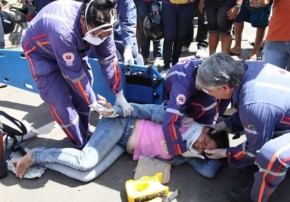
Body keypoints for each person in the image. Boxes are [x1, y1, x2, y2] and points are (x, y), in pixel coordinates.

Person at [13, 95, 229, 181]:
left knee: (85, 176)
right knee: (84, 162)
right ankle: (36, 154)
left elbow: (208, 171)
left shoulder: (189, 153)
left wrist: (221, 153)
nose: (201, 146)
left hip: (122, 145)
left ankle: (46, 161)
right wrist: (116, 110)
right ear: (208, 129)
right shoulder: (181, 120)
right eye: (206, 142)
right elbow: (142, 110)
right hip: (121, 125)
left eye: (205, 150)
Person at [21, 0, 133, 149]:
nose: (100, 39)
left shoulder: (104, 24)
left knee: (83, 94)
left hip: (68, 48)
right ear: (82, 20)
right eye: (97, 35)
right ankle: (79, 143)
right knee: (60, 101)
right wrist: (93, 101)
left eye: (104, 36)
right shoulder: (63, 31)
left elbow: (108, 60)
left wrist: (118, 93)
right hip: (41, 53)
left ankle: (84, 130)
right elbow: (75, 74)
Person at [195, 52, 290, 202]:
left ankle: (256, 196)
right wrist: (225, 124)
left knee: (269, 155)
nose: (210, 95)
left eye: (209, 90)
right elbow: (250, 111)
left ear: (225, 87)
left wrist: (227, 152)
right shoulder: (248, 68)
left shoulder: (253, 103)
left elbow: (254, 149)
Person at [161, 58, 229, 157]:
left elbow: (220, 105)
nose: (201, 147)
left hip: (198, 88)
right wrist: (180, 150)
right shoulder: (182, 88)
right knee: (210, 104)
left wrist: (209, 127)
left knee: (214, 104)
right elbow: (170, 122)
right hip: (171, 96)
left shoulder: (215, 75)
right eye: (205, 143)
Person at [157, 0, 195, 72]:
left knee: (180, 36)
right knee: (169, 36)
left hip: (187, 6)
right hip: (168, 5)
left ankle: (175, 64)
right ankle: (166, 65)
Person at [255, 0, 290, 69]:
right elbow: (263, 2)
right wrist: (258, 2)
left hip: (276, 37)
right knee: (268, 77)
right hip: (277, 37)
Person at [114, 0, 144, 66]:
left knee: (132, 57)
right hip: (94, 33)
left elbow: (128, 22)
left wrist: (128, 48)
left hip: (119, 33)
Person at [134, 0, 163, 65]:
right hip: (141, 2)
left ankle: (158, 56)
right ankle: (144, 55)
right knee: (144, 28)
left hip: (156, 1)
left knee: (157, 27)